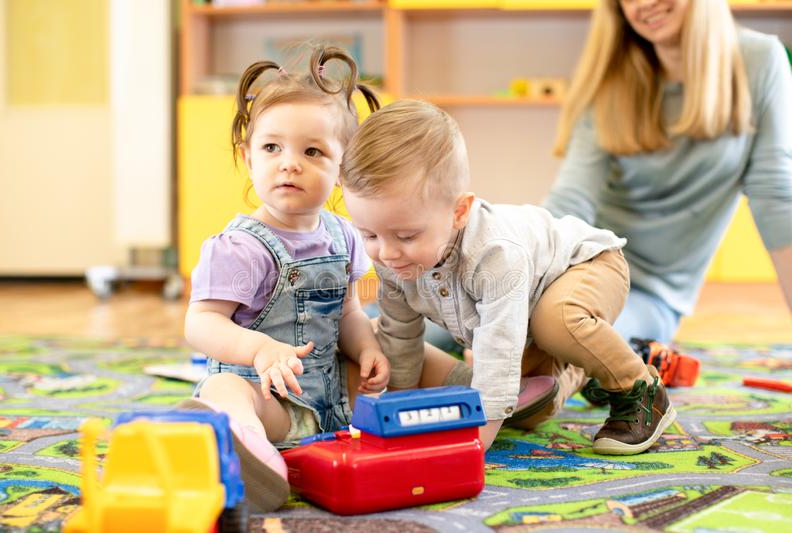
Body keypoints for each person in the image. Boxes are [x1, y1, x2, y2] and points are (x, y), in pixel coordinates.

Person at [340, 99, 677, 455]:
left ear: (459, 212)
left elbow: (497, 354)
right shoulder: (393, 259)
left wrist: (474, 446)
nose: (387, 253)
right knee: (526, 407)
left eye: (406, 236)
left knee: (554, 323)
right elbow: (400, 338)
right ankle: (584, 369)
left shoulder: (494, 255)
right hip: (530, 306)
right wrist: (396, 417)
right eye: (369, 235)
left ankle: (640, 388)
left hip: (589, 263)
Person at [183, 46, 390, 512]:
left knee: (392, 342)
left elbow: (350, 314)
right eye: (271, 147)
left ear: (344, 168)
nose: (289, 163)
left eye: (312, 151)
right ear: (249, 157)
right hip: (270, 400)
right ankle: (246, 448)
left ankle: (476, 395)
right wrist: (259, 350)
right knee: (223, 389)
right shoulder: (240, 247)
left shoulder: (344, 235)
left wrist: (367, 349)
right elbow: (199, 325)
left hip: (333, 401)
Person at [544, 0, 792, 343]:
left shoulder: (761, 60)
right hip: (579, 270)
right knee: (456, 318)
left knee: (566, 331)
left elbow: (776, 197)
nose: (644, 4)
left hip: (652, 298)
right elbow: (571, 200)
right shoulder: (611, 76)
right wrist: (518, 285)